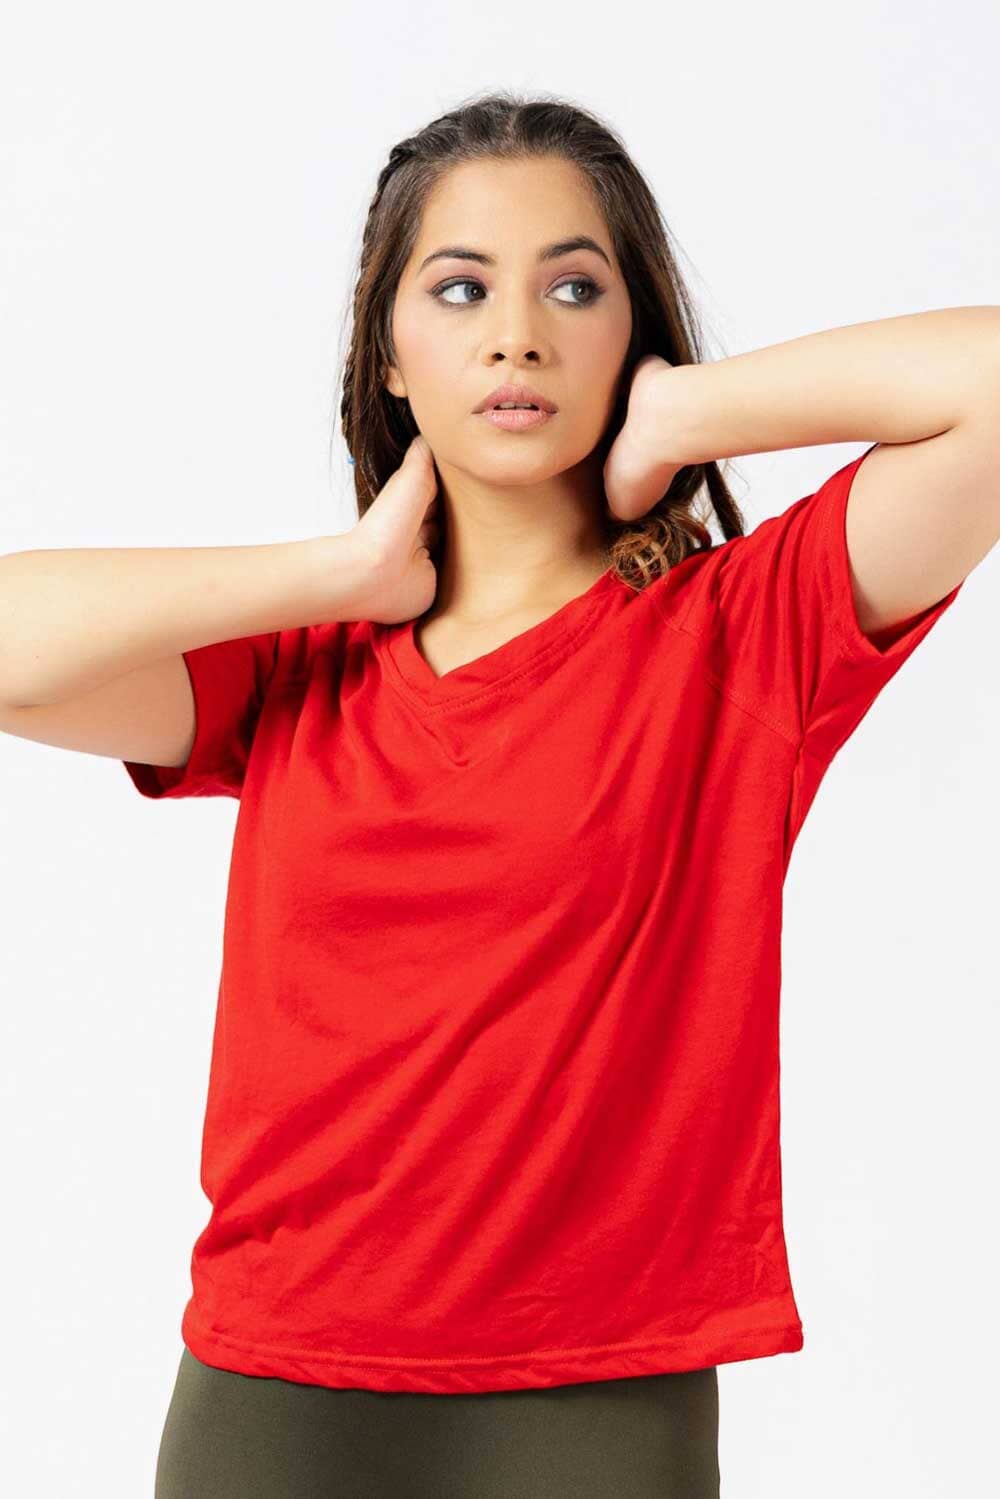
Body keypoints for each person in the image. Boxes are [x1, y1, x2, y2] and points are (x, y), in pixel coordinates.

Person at [2, 89, 989, 1498]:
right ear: (390, 354)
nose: (517, 334)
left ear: (631, 332)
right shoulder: (299, 667)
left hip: (595, 1398)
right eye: (460, 289)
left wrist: (682, 413)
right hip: (274, 1390)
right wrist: (342, 572)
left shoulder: (739, 639)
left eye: (573, 289)